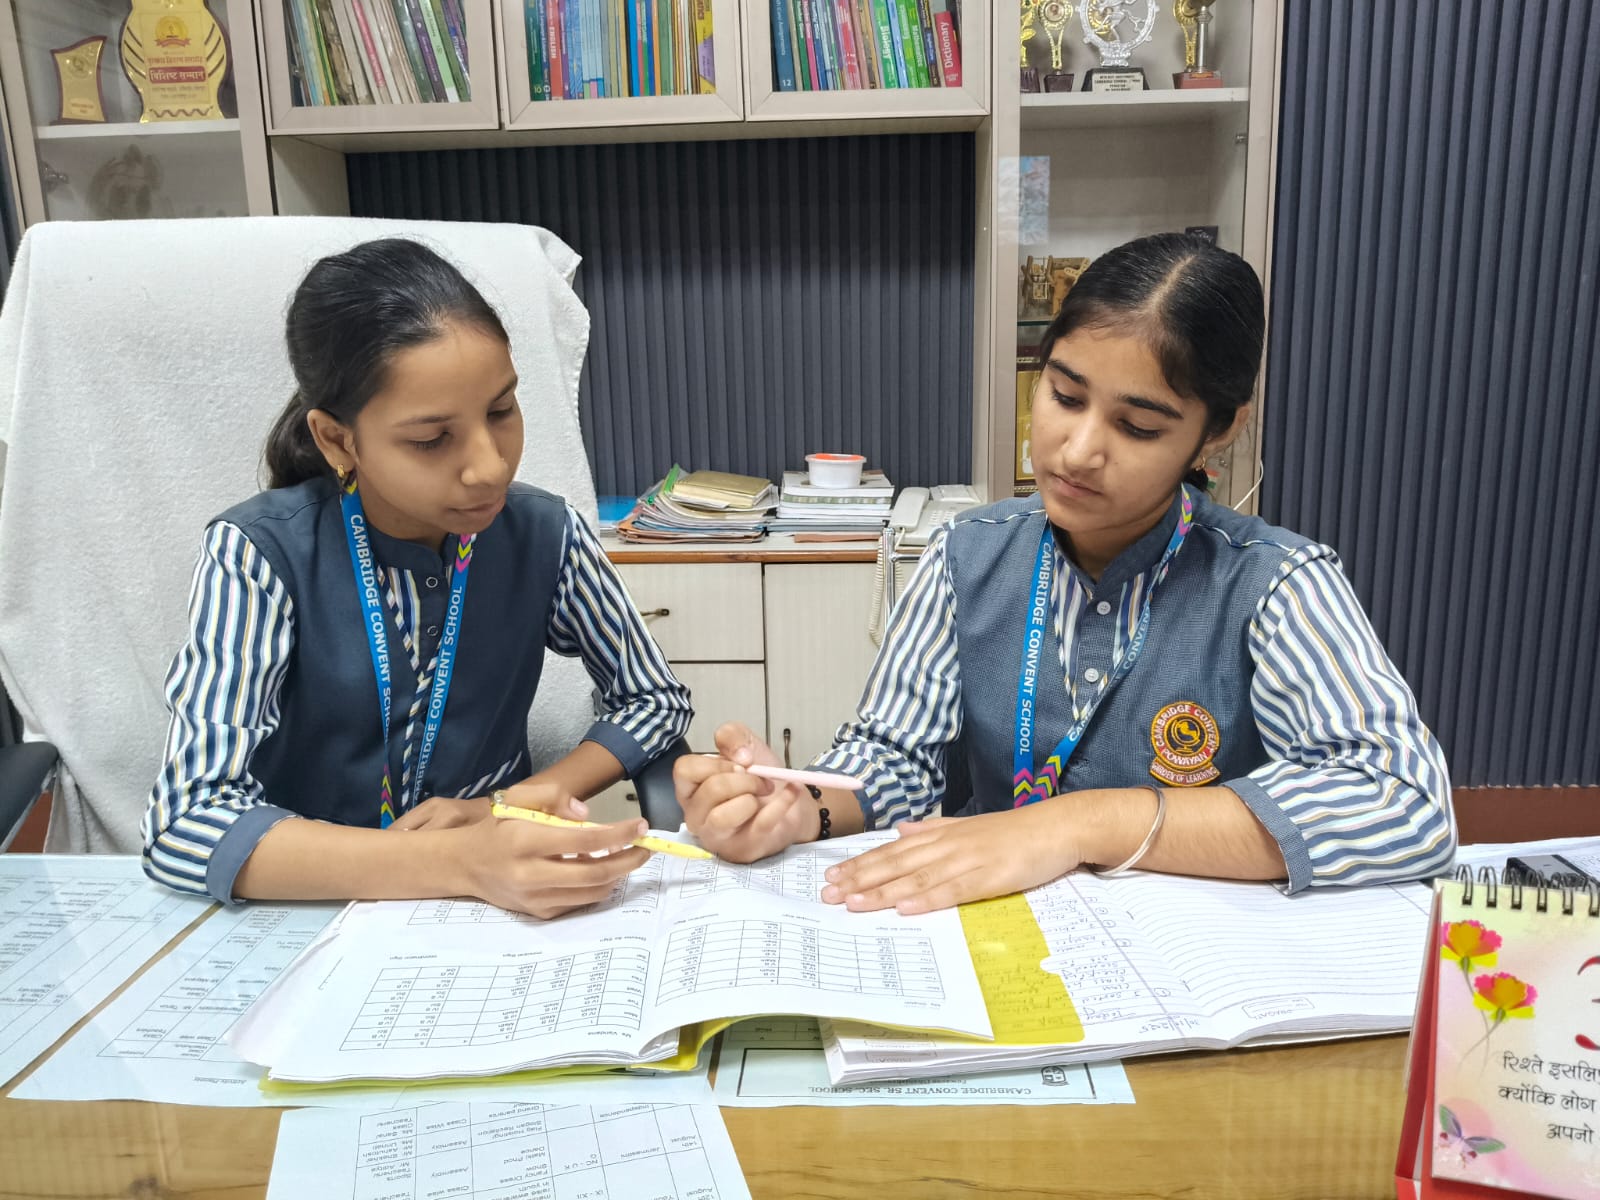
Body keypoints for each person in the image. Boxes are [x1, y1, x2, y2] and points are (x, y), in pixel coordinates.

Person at [675, 232, 1455, 914]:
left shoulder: (1275, 584)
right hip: (995, 942)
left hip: (1188, 962)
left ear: (1218, 432)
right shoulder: (966, 555)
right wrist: (797, 806)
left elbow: (1405, 804)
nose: (1078, 451)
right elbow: (895, 759)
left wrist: (1081, 823)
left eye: (1137, 426)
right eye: (1064, 395)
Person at [141, 238, 690, 917]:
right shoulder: (258, 555)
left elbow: (654, 699)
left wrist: (513, 802)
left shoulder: (544, 534)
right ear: (338, 440)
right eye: (431, 440)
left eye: (501, 411)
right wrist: (457, 860)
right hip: (308, 909)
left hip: (491, 914)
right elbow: (183, 822)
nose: (490, 468)